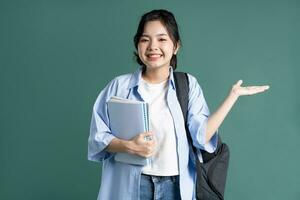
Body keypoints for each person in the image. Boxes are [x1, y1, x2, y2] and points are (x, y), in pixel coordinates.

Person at [88, 9, 269, 200]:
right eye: (145, 39)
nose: (152, 46)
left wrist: (232, 96)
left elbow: (202, 136)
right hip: (131, 186)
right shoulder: (118, 86)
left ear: (176, 46)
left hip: (175, 186)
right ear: (137, 45)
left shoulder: (188, 85)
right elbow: (98, 137)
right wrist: (129, 146)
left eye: (162, 39)